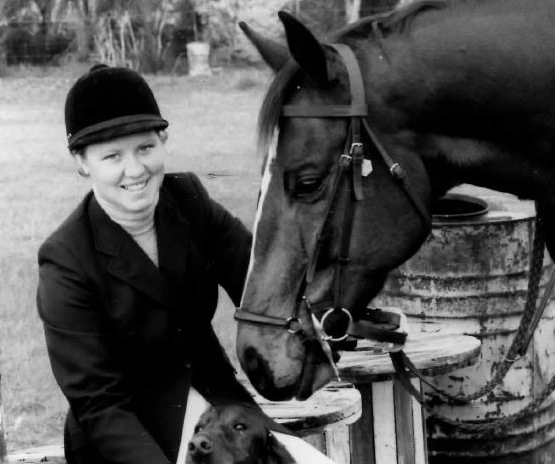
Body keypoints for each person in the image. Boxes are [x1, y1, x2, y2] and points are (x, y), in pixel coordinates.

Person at [37, 64, 335, 464]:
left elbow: (261, 283)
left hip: (220, 407)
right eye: (112, 156)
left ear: (163, 139)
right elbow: (99, 406)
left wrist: (332, 312)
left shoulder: (189, 199)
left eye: (145, 147)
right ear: (81, 162)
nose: (136, 170)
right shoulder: (65, 260)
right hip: (129, 434)